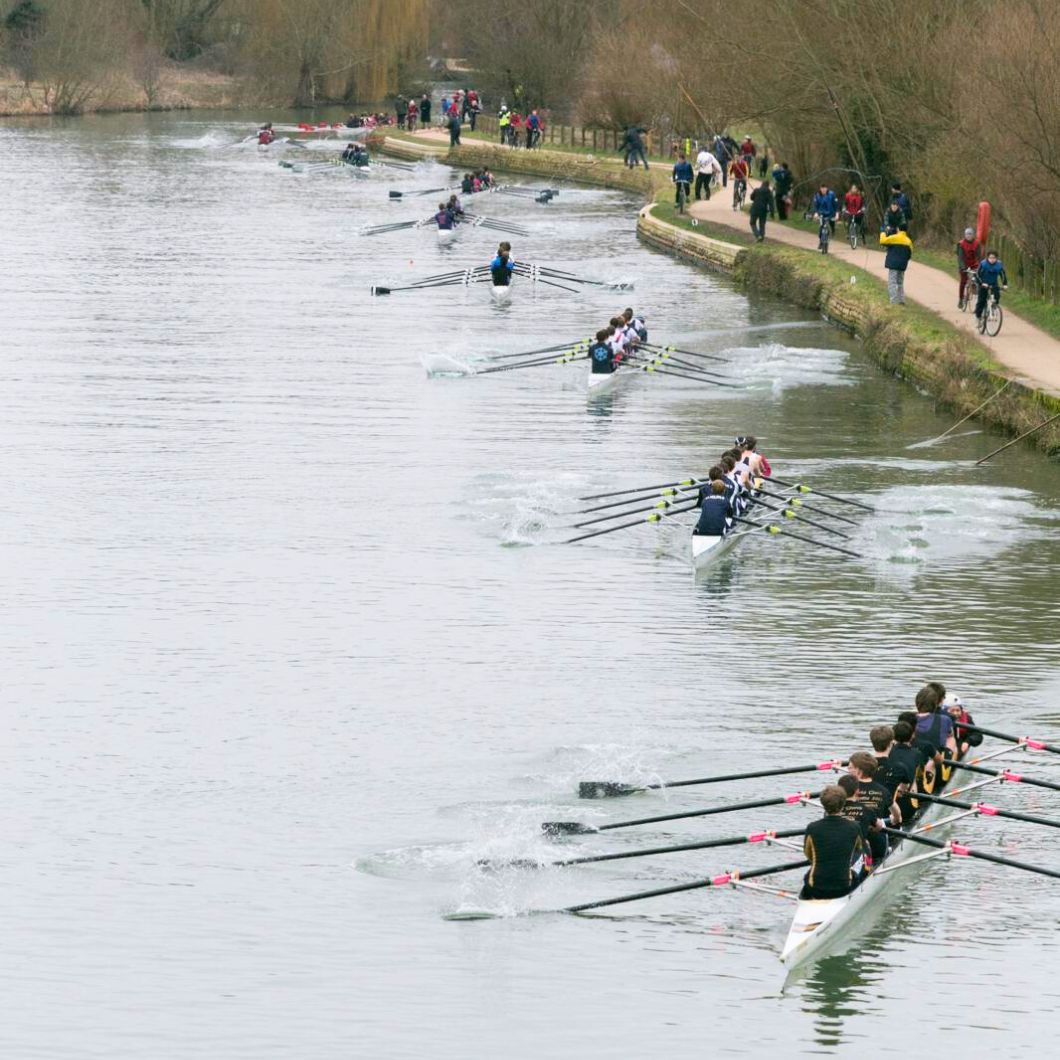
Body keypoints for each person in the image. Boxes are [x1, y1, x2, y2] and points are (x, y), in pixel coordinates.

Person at [802, 785, 864, 899]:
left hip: (815, 887)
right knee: (858, 867)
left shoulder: (812, 828)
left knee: (808, 874)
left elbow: (808, 854)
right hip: (844, 887)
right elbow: (858, 849)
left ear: (823, 804)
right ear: (843, 803)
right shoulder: (854, 827)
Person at [846, 752, 901, 865]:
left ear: (858, 772)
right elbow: (897, 814)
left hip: (850, 843)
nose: (847, 769)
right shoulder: (883, 790)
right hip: (876, 844)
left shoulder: (845, 789)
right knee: (882, 825)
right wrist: (895, 819)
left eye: (850, 767)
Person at [880, 224, 913, 304]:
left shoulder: (894, 238)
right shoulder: (908, 241)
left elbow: (882, 241)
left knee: (892, 282)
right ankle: (901, 300)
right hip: (902, 265)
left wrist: (883, 232)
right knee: (900, 282)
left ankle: (893, 300)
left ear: (898, 229)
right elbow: (910, 253)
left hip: (893, 264)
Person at [975, 250, 1008, 321]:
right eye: (990, 258)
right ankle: (978, 316)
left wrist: (1004, 284)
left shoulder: (999, 265)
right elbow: (977, 274)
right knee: (981, 300)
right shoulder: (983, 264)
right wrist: (981, 283)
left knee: (997, 296)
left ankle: (993, 308)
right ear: (987, 258)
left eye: (994, 258)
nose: (992, 259)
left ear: (996, 258)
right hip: (983, 283)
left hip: (993, 283)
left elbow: (1003, 275)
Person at [956, 227, 981, 309]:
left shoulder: (977, 244)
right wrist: (963, 267)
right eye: (967, 234)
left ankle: (975, 292)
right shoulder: (961, 244)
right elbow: (960, 257)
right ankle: (961, 299)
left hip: (974, 264)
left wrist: (979, 265)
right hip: (964, 264)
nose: (968, 236)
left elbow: (978, 256)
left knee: (976, 279)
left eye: (970, 234)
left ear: (973, 235)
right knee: (963, 281)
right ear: (965, 235)